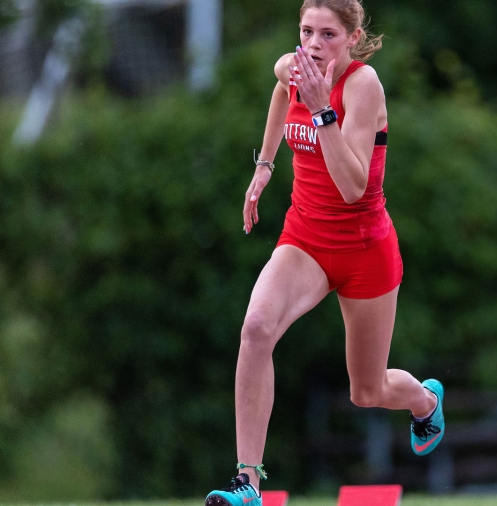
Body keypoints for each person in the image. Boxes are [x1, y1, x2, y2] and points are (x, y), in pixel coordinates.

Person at [205, 2, 444, 505]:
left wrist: (320, 109)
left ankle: (424, 400)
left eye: (328, 34)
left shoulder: (363, 85)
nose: (314, 45)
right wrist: (265, 165)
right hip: (306, 240)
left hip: (364, 250)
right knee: (255, 328)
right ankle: (247, 484)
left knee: (368, 392)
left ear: (353, 37)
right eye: (306, 31)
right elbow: (278, 92)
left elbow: (354, 186)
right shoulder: (293, 69)